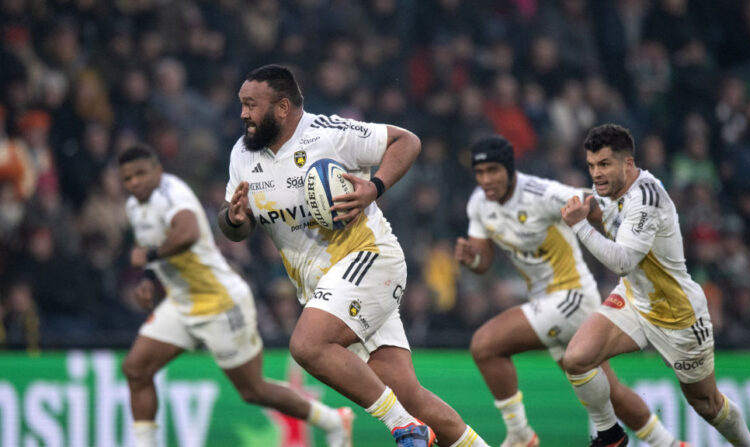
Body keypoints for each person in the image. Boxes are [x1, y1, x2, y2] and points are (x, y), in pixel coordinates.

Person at [218, 64, 489, 447]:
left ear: (282, 107)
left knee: (307, 346)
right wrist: (234, 218)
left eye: (251, 105)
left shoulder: (329, 134)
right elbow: (236, 229)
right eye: (241, 105)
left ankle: (404, 428)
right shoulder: (243, 155)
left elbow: (407, 141)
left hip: (369, 259)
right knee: (409, 395)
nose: (243, 114)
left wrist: (375, 188)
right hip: (324, 287)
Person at [456, 135, 686, 447]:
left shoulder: (541, 193)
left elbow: (592, 205)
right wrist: (473, 260)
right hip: (549, 301)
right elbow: (482, 262)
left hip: (571, 298)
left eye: (493, 170)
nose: (486, 180)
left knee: (485, 345)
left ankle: (521, 434)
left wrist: (633, 234)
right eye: (479, 173)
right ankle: (669, 444)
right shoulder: (478, 204)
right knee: (610, 390)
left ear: (510, 169)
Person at [119, 144, 353, 447]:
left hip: (221, 303)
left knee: (253, 390)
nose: (134, 182)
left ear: (158, 172)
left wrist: (149, 255)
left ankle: (333, 420)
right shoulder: (134, 207)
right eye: (127, 178)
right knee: (136, 369)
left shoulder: (173, 194)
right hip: (181, 303)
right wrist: (149, 277)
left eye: (140, 174)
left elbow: (186, 232)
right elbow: (152, 243)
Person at [560, 124, 750, 447]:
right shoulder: (609, 189)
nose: (596, 174)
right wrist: (586, 209)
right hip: (635, 298)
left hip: (677, 314)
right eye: (591, 165)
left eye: (604, 164)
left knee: (706, 404)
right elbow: (601, 210)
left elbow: (623, 261)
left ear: (627, 163)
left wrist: (579, 225)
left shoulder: (647, 198)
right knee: (577, 359)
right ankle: (609, 436)